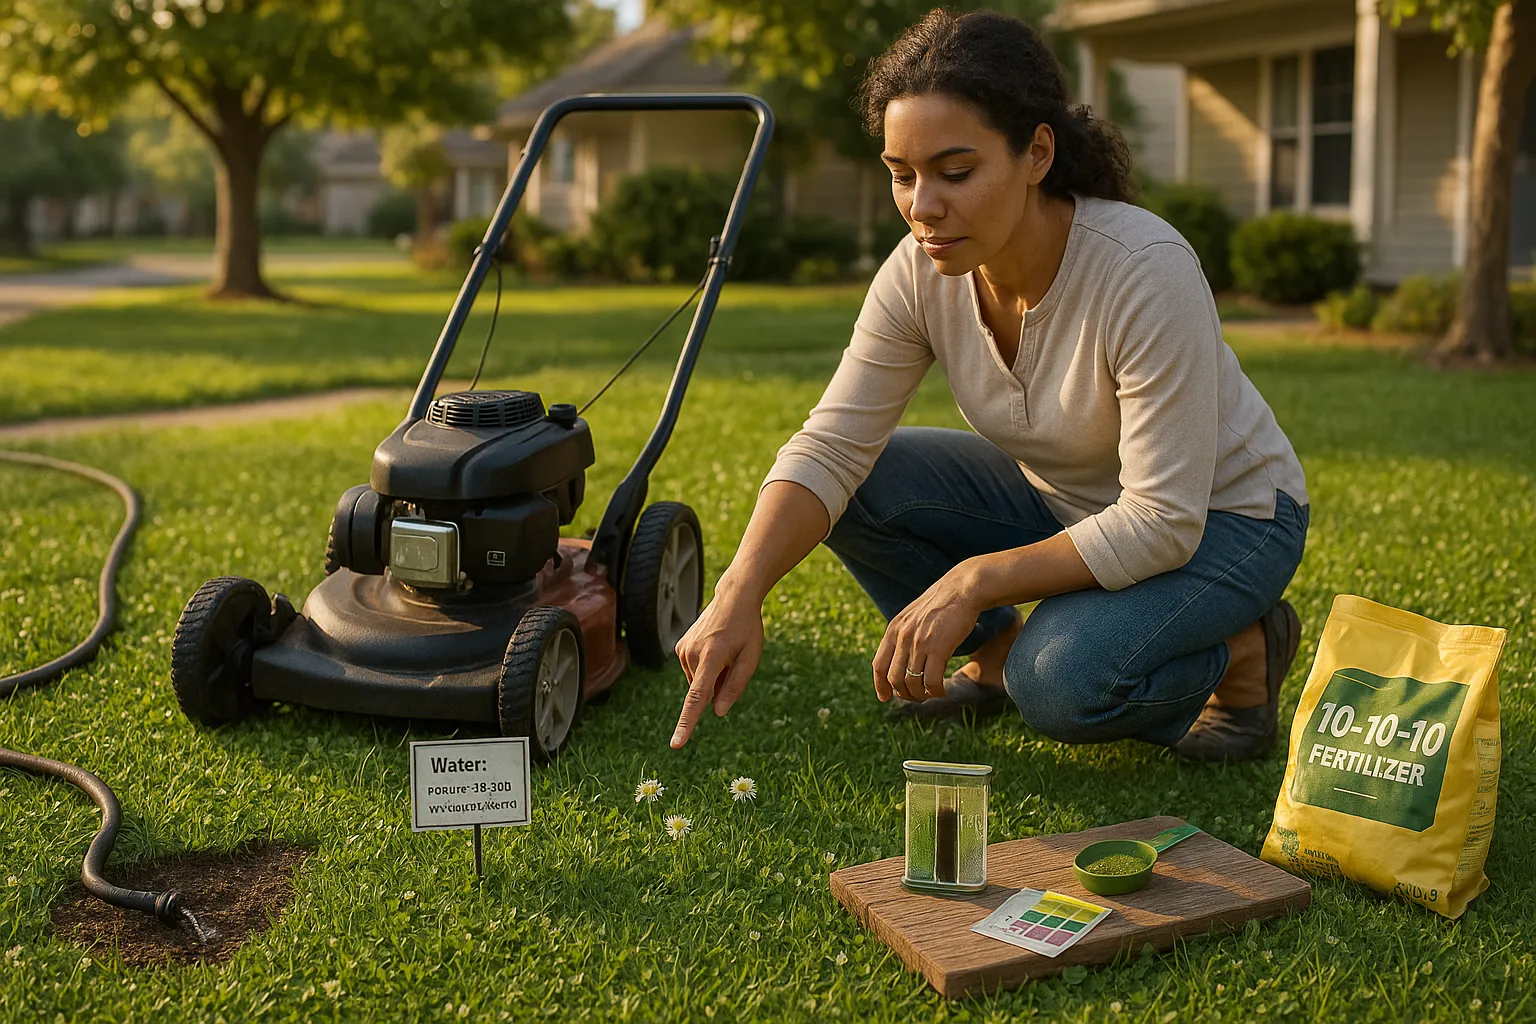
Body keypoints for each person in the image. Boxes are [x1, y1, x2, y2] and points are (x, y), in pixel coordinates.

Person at [668, 8, 1309, 763]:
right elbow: (833, 445)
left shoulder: (1143, 268)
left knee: (1064, 681)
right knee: (863, 481)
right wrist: (739, 593)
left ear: (1037, 152)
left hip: (1224, 519)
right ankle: (997, 659)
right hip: (1065, 499)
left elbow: (1164, 519)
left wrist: (974, 581)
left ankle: (1243, 651)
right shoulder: (918, 270)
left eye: (956, 171)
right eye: (902, 176)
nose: (923, 207)